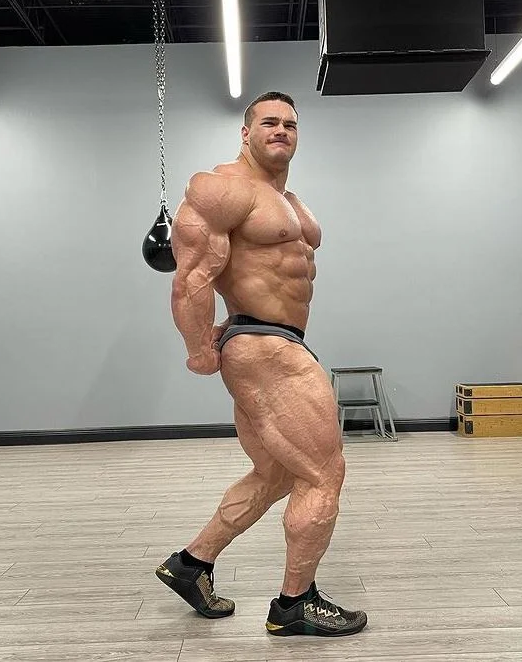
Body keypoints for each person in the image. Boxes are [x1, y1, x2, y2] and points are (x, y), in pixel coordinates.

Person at [155, 92, 367, 637]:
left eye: (290, 124)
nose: (281, 130)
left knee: (275, 475)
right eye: (269, 122)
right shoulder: (223, 188)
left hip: (273, 338)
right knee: (324, 473)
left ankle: (191, 564)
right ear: (245, 133)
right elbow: (192, 276)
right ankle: (295, 604)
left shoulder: (289, 201)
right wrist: (199, 347)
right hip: (267, 350)